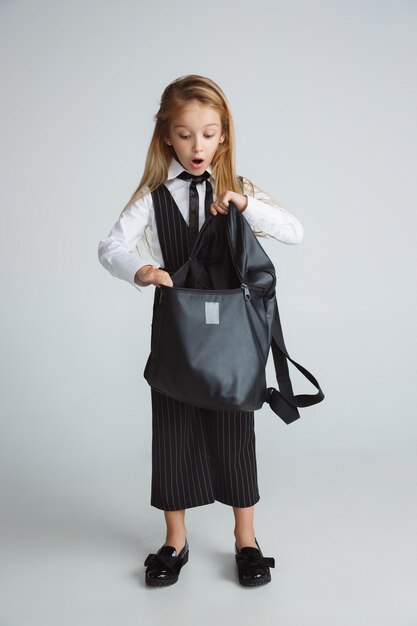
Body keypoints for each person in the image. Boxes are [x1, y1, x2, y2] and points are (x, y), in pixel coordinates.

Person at [97, 74, 304, 587]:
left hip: (232, 335)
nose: (197, 146)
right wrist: (142, 271)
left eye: (209, 134)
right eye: (185, 134)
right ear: (168, 136)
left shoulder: (239, 191)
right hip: (179, 332)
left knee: (235, 429)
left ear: (224, 136)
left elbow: (295, 232)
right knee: (173, 426)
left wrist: (243, 204)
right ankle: (175, 540)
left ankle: (246, 539)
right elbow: (110, 247)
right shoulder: (154, 197)